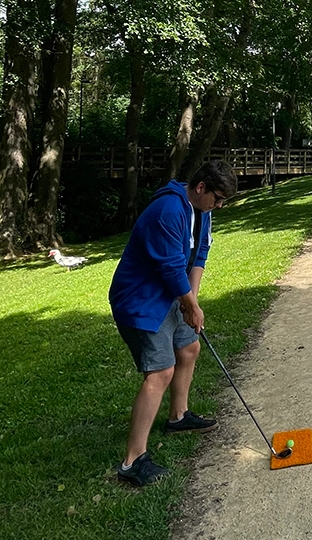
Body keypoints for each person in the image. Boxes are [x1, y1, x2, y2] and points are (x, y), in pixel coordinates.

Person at [109, 160, 238, 486]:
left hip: (171, 296)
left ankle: (178, 417)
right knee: (160, 372)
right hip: (140, 301)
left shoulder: (203, 212)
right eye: (218, 198)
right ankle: (132, 461)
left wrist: (190, 302)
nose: (219, 206)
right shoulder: (168, 210)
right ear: (200, 187)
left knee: (189, 347)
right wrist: (188, 304)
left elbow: (200, 255)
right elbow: (168, 268)